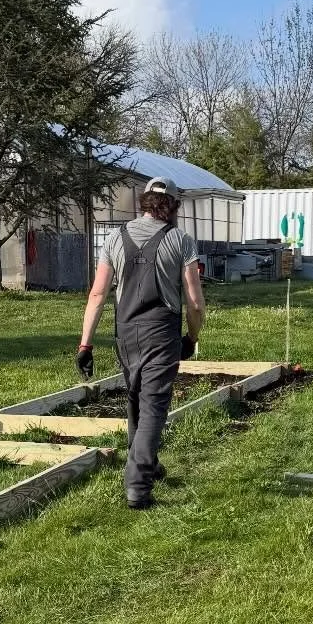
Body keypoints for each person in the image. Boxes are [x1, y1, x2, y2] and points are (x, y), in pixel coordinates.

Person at [76, 177, 205, 509]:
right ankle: (138, 485)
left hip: (126, 332)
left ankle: (148, 462)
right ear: (173, 206)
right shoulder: (181, 240)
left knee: (135, 398)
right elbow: (194, 302)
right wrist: (192, 337)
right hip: (161, 332)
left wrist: (85, 345)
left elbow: (97, 294)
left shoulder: (115, 239)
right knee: (153, 408)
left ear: (143, 202)